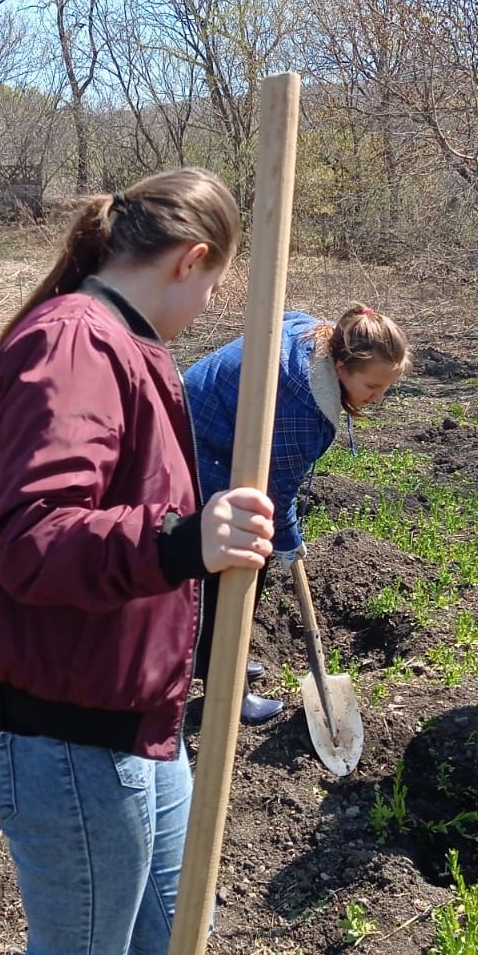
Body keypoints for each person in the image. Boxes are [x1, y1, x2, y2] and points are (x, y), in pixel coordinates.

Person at [0, 169, 275, 955]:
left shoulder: (118, 339)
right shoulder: (77, 341)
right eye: (217, 282)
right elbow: (34, 537)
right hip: (61, 731)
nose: (213, 306)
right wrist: (187, 540)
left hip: (127, 708)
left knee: (175, 932)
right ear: (190, 260)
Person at [184, 305, 410, 723]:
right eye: (371, 385)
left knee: (244, 551)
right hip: (197, 443)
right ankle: (224, 686)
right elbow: (273, 492)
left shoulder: (316, 334)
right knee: (244, 554)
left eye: (386, 388)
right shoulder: (304, 412)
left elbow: (285, 314)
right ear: (341, 365)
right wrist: (288, 542)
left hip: (202, 413)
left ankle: (212, 661)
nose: (378, 398)